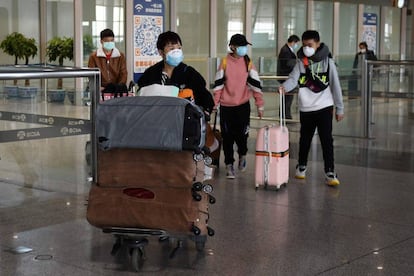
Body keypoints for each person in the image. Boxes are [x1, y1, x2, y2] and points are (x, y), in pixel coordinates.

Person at [279, 30, 344, 186]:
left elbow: (336, 85)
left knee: (326, 140)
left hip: (324, 107)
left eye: (310, 45)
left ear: (318, 44)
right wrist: (284, 87)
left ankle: (330, 171)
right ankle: (301, 166)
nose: (307, 48)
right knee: (305, 139)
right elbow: (293, 79)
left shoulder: (328, 62)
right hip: (306, 108)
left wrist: (339, 108)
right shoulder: (301, 62)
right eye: (304, 45)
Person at [213, 34, 264, 179]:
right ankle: (229, 165)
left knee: (242, 136)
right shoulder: (224, 63)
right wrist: (215, 104)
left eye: (245, 46)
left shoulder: (248, 63)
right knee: (227, 137)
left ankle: (242, 155)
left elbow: (256, 85)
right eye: (241, 46)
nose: (244, 48)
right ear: (233, 47)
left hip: (242, 106)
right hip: (226, 107)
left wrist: (260, 105)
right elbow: (218, 85)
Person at [137, 31, 214, 114]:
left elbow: (205, 98)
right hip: (157, 120)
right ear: (161, 52)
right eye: (172, 49)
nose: (176, 52)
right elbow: (142, 99)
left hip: (184, 122)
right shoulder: (151, 74)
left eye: (179, 48)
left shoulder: (189, 73)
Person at [88, 28, 128, 99]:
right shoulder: (94, 57)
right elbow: (91, 75)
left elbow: (123, 73)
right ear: (101, 41)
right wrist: (98, 87)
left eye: (112, 40)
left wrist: (119, 86)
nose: (110, 43)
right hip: (100, 91)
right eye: (107, 41)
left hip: (117, 90)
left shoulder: (120, 56)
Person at [277, 34, 300, 119]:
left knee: (288, 98)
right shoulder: (285, 50)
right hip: (286, 76)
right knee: (287, 98)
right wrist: (297, 64)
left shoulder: (287, 49)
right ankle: (285, 116)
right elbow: (288, 63)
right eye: (296, 43)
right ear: (293, 42)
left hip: (287, 76)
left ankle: (286, 115)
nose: (296, 45)